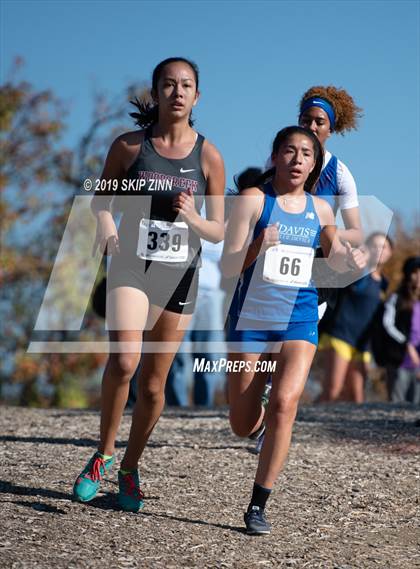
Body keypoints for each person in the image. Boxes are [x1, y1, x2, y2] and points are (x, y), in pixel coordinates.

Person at [72, 57, 225, 512]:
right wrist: (104, 224)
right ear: (155, 92)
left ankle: (130, 467)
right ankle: (102, 454)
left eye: (186, 85)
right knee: (124, 360)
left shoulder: (209, 156)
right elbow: (101, 201)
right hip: (131, 264)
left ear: (197, 97)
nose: (177, 92)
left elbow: (219, 229)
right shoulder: (128, 146)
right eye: (169, 84)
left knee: (155, 387)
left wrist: (194, 217)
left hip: (180, 272)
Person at [221, 126, 365, 535]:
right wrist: (257, 246)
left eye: (306, 154)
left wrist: (343, 257)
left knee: (287, 403)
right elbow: (227, 267)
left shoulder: (320, 209)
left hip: (299, 316)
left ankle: (258, 504)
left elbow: (333, 249)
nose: (298, 159)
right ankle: (258, 418)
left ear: (314, 164)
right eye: (290, 151)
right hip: (252, 318)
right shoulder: (254, 200)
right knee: (241, 424)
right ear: (275, 156)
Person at [317, 232, 393, 403]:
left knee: (356, 396)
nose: (379, 250)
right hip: (341, 335)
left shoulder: (384, 283)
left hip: (362, 344)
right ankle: (303, 420)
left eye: (384, 246)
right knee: (332, 390)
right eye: (374, 245)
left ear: (390, 253)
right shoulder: (360, 273)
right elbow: (354, 275)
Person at [373, 256, 420, 403]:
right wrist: (406, 344)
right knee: (397, 404)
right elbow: (387, 324)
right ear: (407, 274)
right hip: (399, 360)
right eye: (415, 272)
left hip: (418, 363)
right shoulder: (396, 298)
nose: (418, 277)